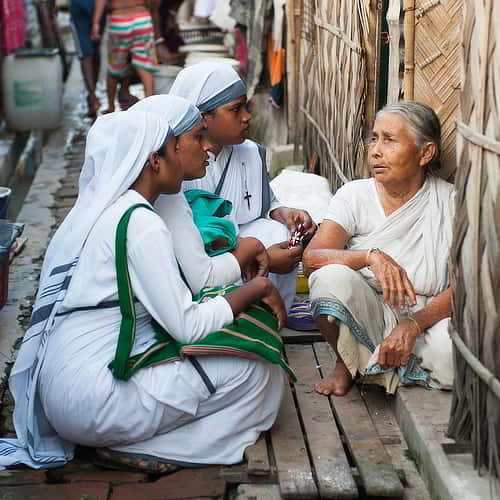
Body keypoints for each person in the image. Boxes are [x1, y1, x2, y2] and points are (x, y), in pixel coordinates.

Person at [0, 103, 289, 472]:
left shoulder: (117, 211)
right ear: (155, 161)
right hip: (89, 399)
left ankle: (129, 439)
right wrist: (256, 288)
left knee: (248, 357)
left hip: (69, 390)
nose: (204, 148)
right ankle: (153, 447)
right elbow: (187, 326)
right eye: (179, 146)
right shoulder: (142, 224)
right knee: (260, 374)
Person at [303, 101, 454, 396]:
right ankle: (346, 362)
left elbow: (465, 286)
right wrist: (369, 256)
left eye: (389, 140)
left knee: (450, 361)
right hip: (370, 310)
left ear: (425, 153)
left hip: (429, 316)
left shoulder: (451, 203)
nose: (375, 150)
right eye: (374, 138)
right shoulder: (355, 195)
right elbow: (311, 258)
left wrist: (413, 324)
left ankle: (376, 365)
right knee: (328, 277)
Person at [170, 62, 316, 312]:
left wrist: (283, 213)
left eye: (245, 107)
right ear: (203, 118)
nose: (247, 117)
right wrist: (264, 258)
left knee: (275, 230)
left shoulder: (250, 153)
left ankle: (272, 313)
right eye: (235, 110)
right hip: (199, 259)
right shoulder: (177, 163)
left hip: (239, 248)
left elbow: (263, 204)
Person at [131, 94, 269, 293]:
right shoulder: (140, 218)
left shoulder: (170, 196)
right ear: (164, 151)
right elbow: (202, 280)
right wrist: (252, 249)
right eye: (198, 137)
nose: (208, 146)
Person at [91, 0, 158, 113]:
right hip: (142, 19)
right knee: (146, 67)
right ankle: (150, 108)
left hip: (119, 20)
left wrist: (96, 22)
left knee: (114, 68)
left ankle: (111, 107)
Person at [69, 0, 104, 118]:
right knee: (95, 49)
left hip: (80, 5)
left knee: (85, 54)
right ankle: (92, 94)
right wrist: (96, 21)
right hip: (97, 6)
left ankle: (92, 95)